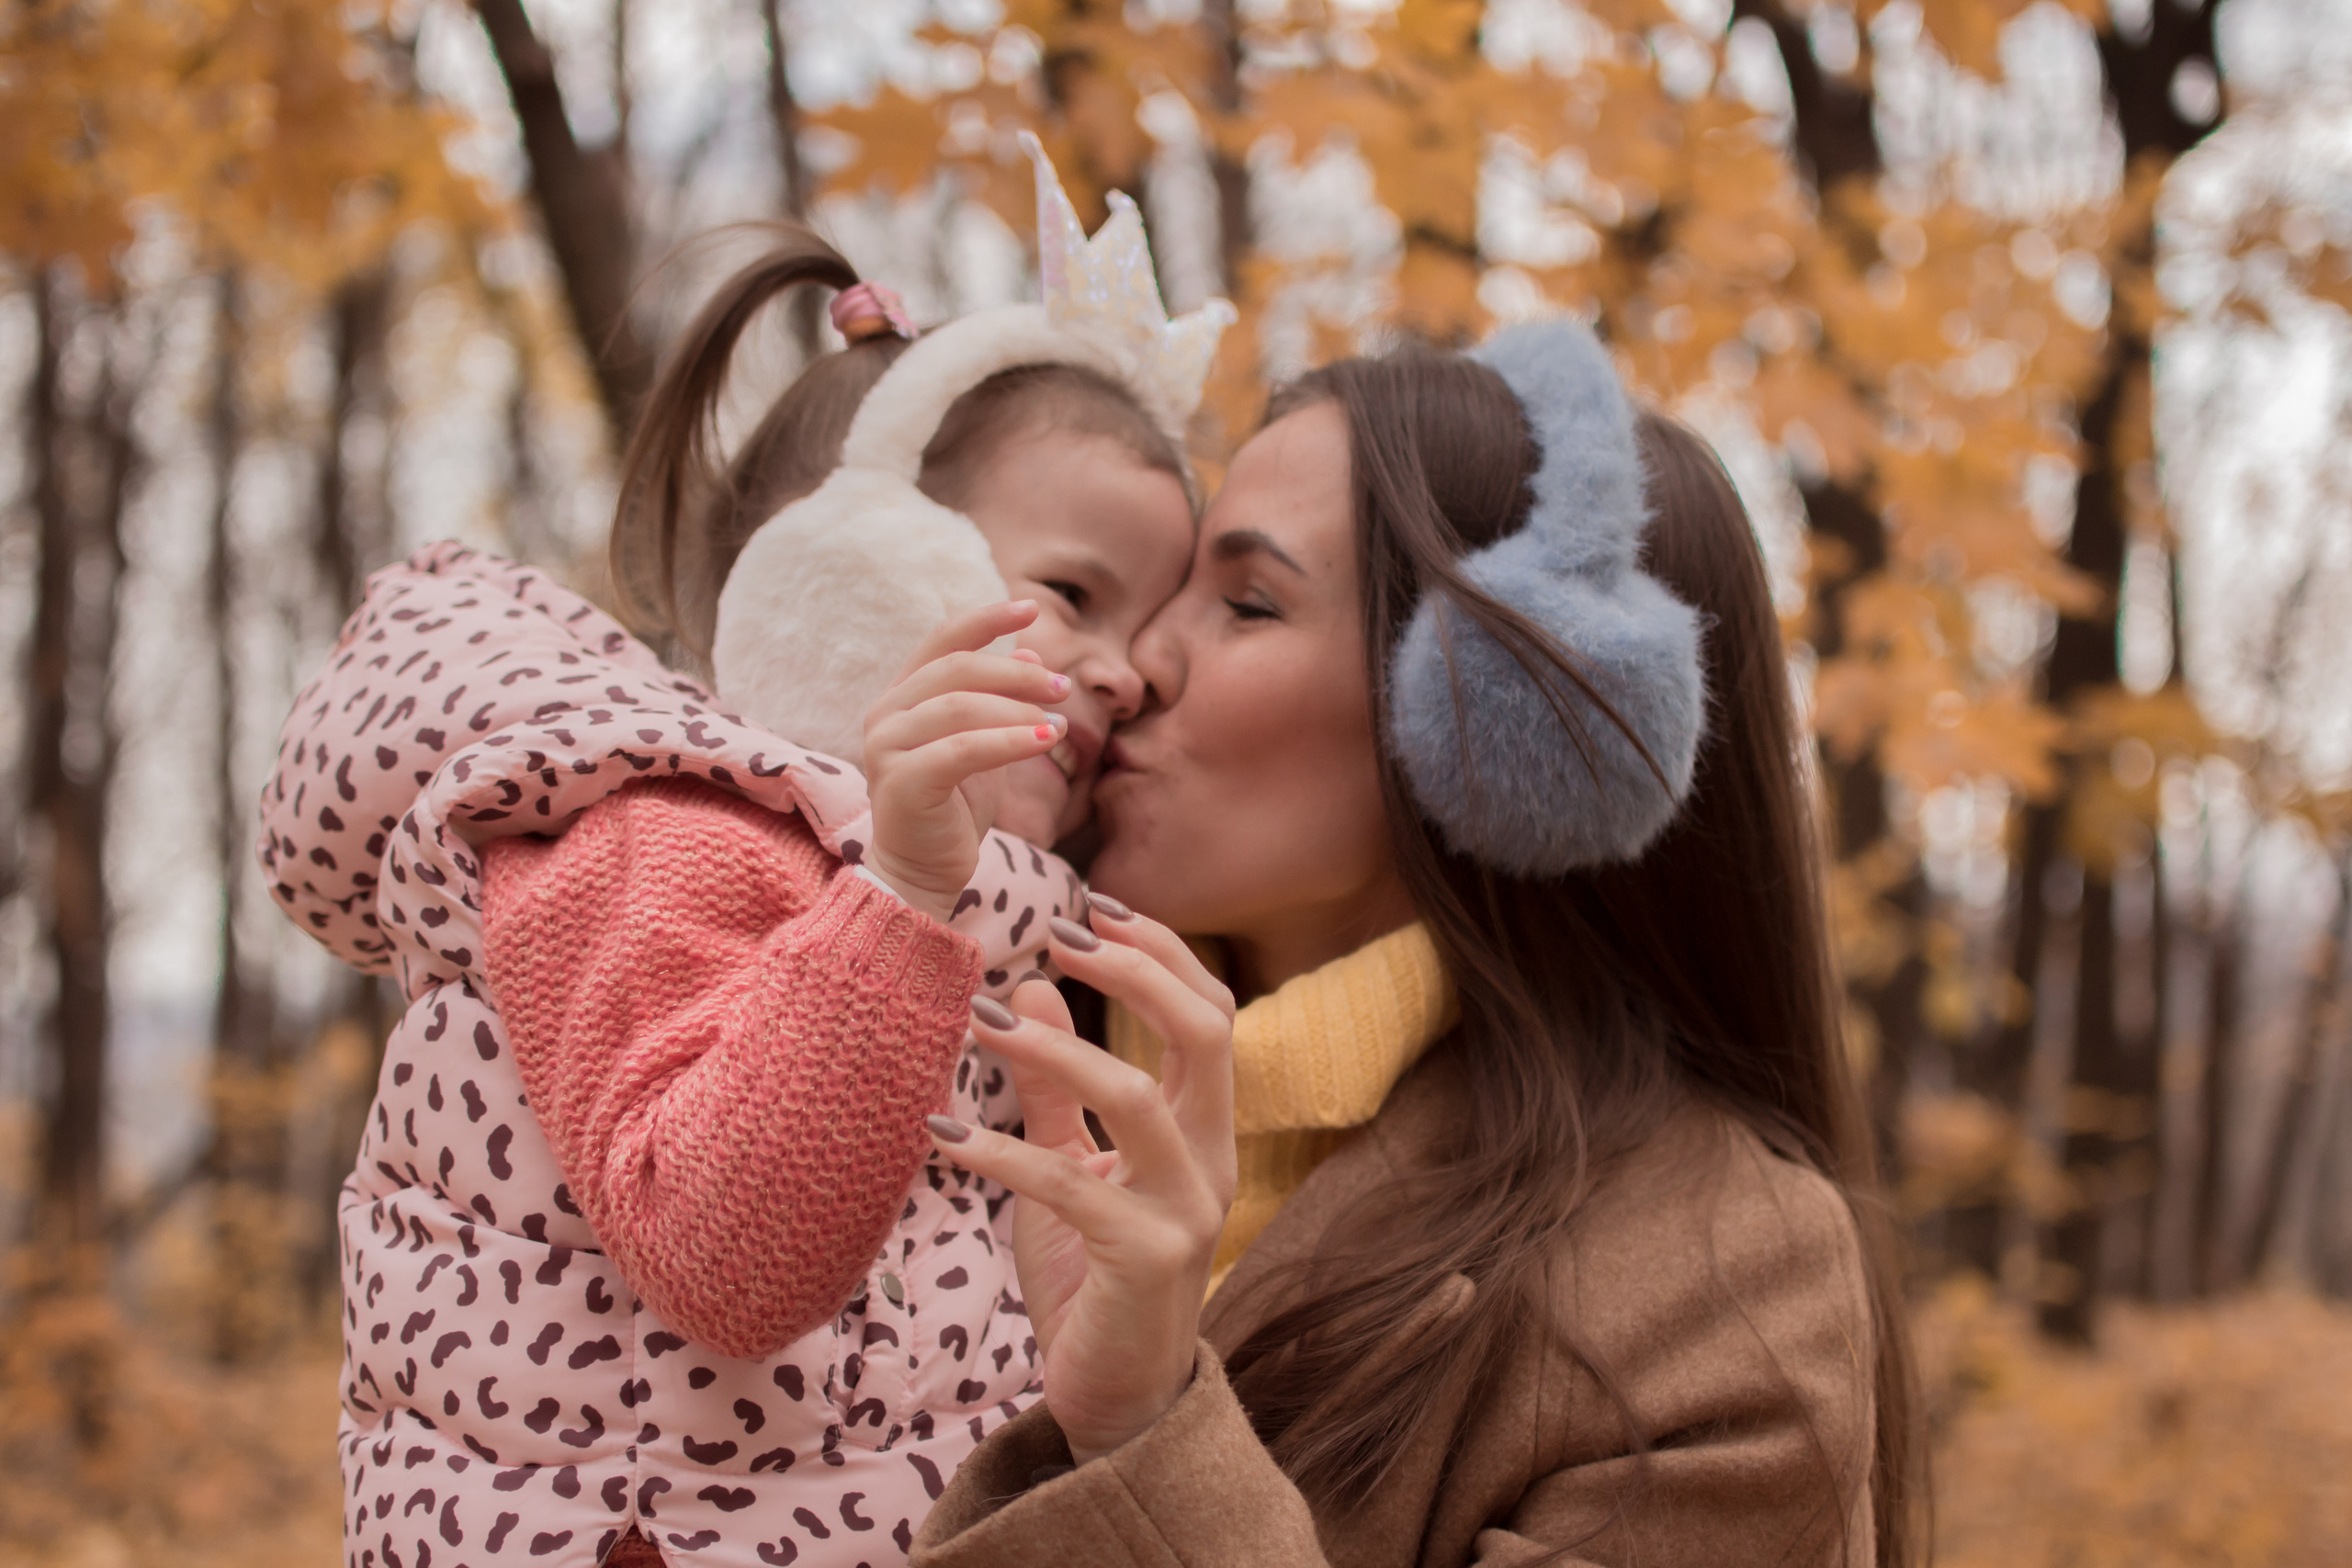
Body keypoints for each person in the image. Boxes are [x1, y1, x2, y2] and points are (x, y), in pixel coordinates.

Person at [257, 142, 1235, 1567]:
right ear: (852, 572)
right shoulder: (653, 831)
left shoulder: (972, 912)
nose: (1124, 673)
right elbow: (728, 1258)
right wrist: (903, 895)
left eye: (1145, 634)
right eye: (1073, 595)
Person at [906, 320, 1922, 1566]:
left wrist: (1143, 1430)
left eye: (1246, 602)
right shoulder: (946, 997)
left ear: (1502, 730)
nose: (1133, 664)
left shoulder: (1724, 1278)